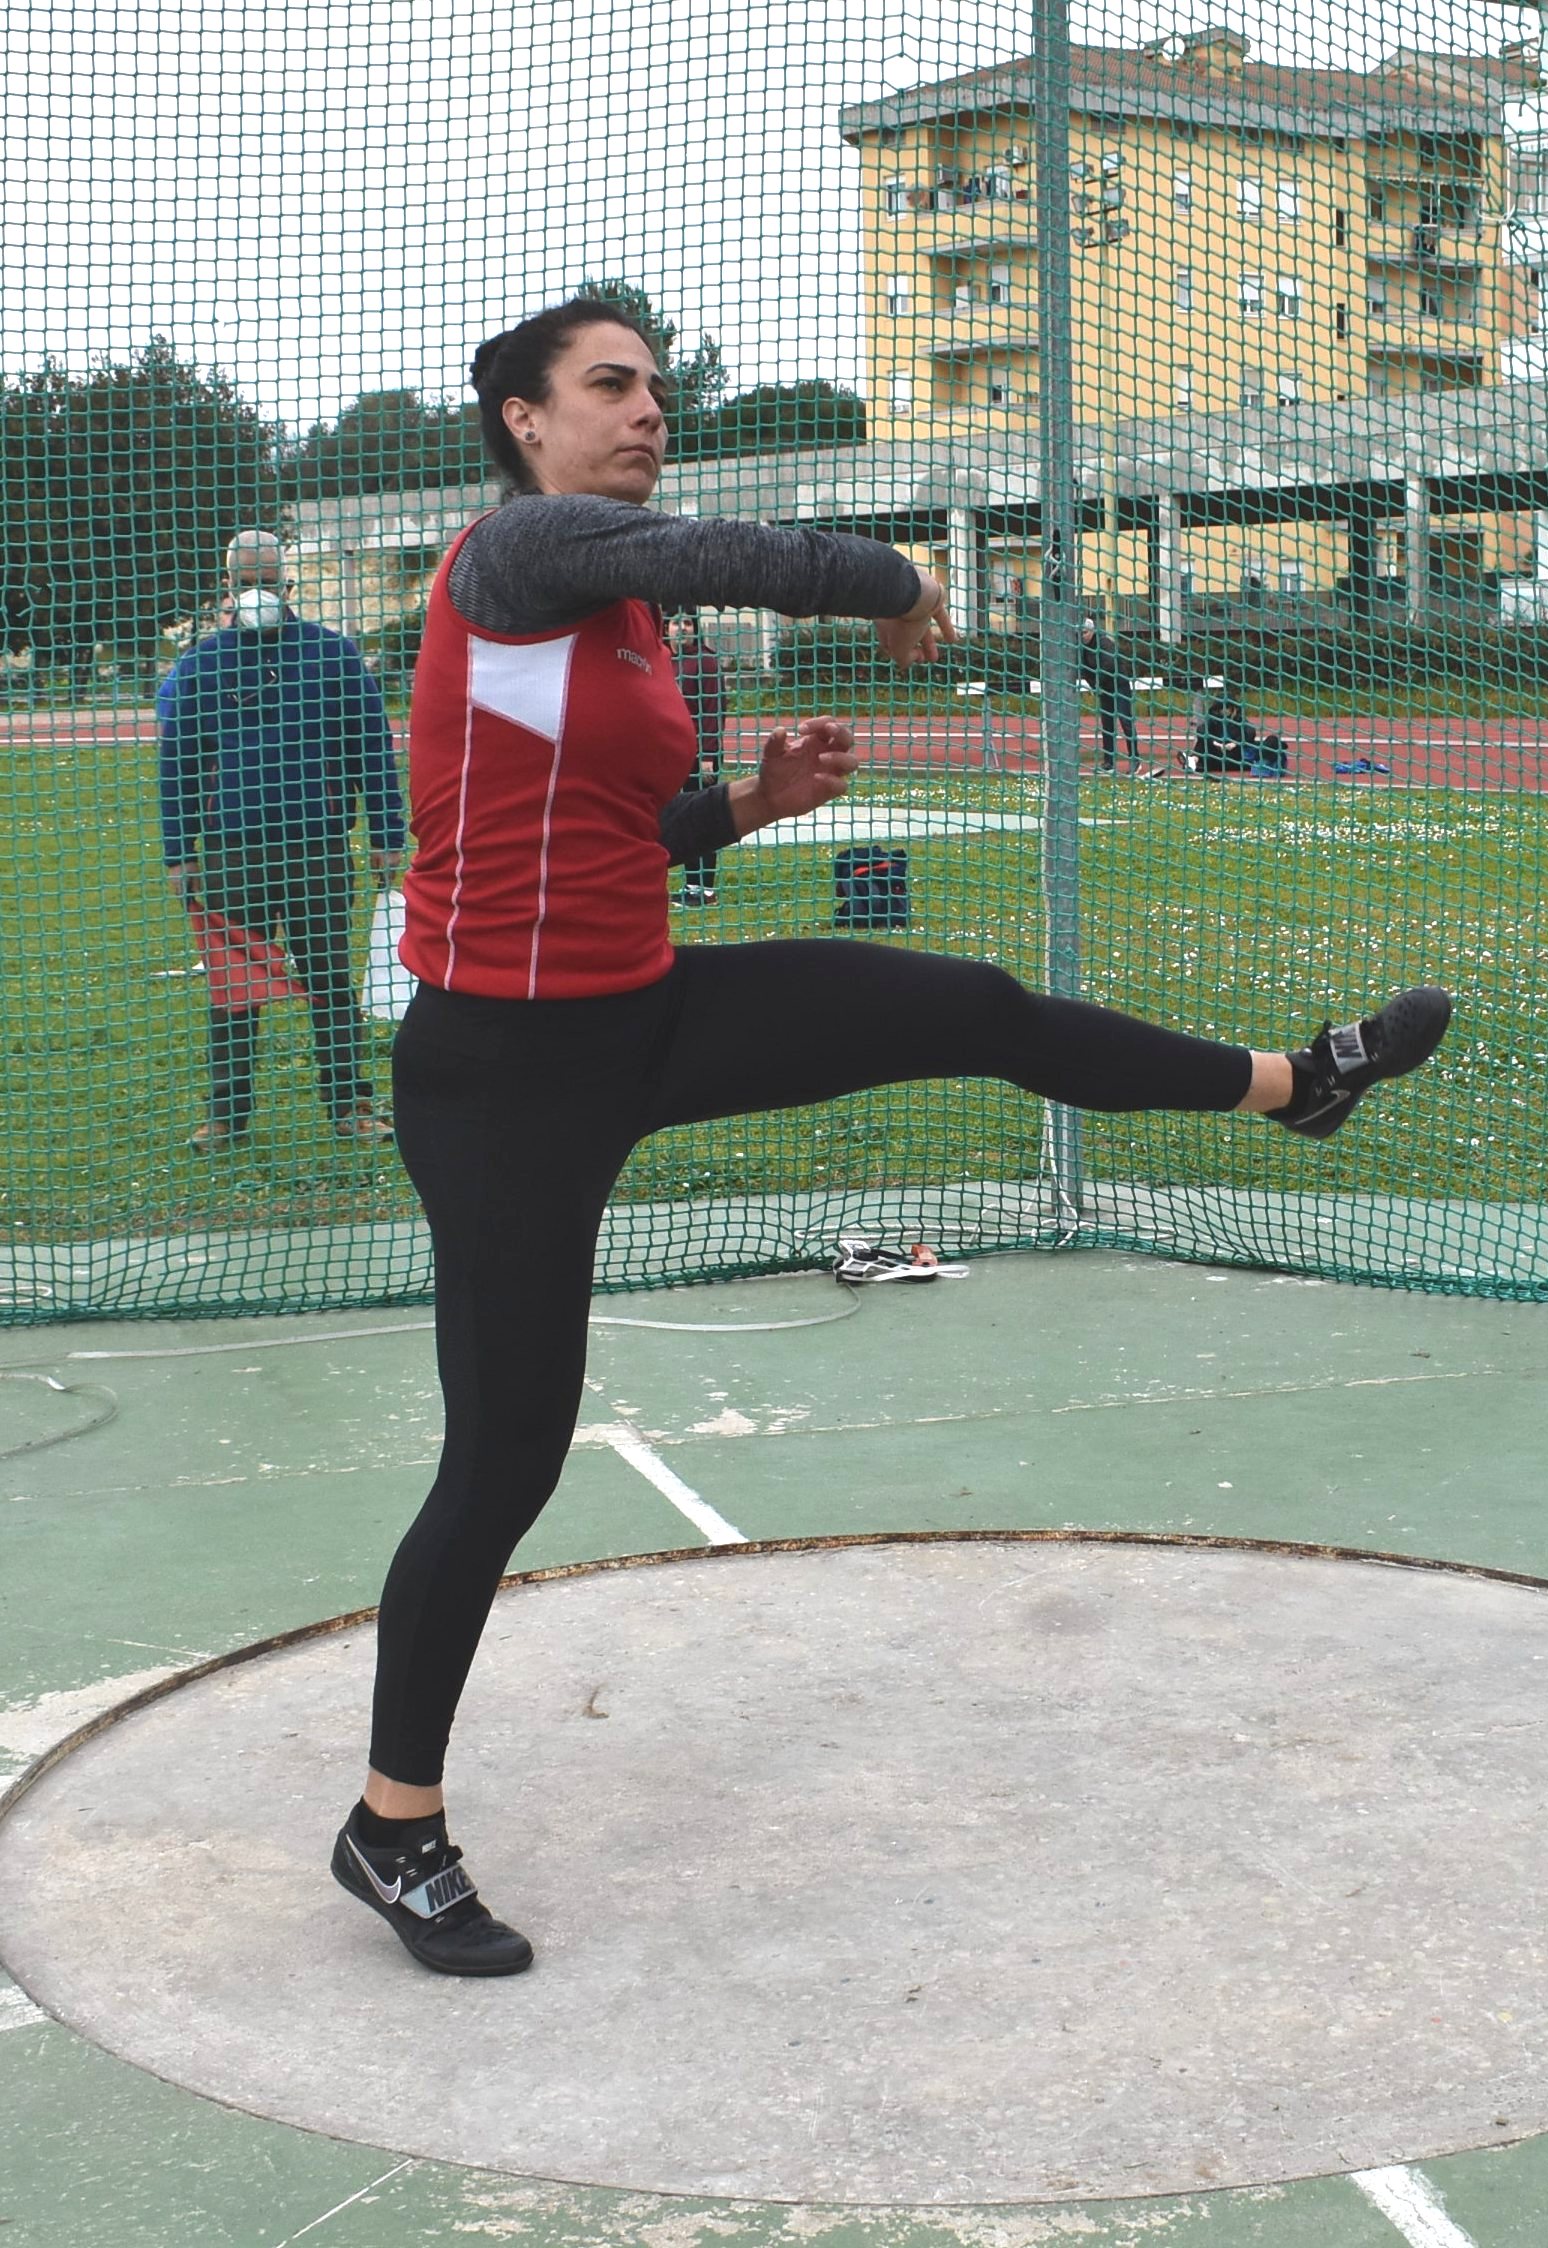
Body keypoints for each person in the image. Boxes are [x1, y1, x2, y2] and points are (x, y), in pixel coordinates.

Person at [328, 298, 1453, 1977]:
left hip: (642, 1010)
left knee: (970, 1006)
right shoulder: (520, 554)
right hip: (503, 1073)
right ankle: (391, 1825)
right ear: (522, 420)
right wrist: (895, 580)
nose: (647, 411)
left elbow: (603, 827)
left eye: (657, 388)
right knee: (503, 1462)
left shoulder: (615, 612)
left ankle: (1300, 1082)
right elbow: (758, 554)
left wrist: (746, 807)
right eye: (609, 386)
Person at [159, 534, 408, 1151]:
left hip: (318, 851)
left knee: (331, 982)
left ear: (288, 586)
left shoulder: (333, 655)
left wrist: (386, 834)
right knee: (233, 988)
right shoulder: (200, 665)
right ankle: (226, 1115)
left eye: (268, 582)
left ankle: (350, 1104)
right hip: (231, 854)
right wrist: (179, 852)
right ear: (227, 588)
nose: (258, 594)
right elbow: (178, 768)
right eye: (246, 584)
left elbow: (372, 752)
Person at [668, 609, 726, 905]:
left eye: (688, 622)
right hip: (670, 754)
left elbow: (714, 710)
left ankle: (704, 888)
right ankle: (691, 884)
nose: (682, 628)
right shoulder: (662, 660)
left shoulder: (705, 661)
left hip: (698, 754)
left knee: (699, 816)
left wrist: (708, 754)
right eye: (676, 622)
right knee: (676, 817)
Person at [1078, 614, 1144, 775]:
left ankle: (1135, 760)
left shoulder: (1104, 643)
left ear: (1092, 631)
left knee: (1125, 722)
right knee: (1107, 725)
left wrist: (1098, 683)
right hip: (1104, 688)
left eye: (1085, 633)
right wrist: (1094, 686)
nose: (1083, 636)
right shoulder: (1082, 648)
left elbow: (1108, 665)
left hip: (1119, 685)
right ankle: (1109, 762)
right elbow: (1083, 669)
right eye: (1080, 633)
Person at [1189, 694, 1288, 778]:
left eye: (1227, 708)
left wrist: (1235, 743)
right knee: (1202, 742)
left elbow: (1250, 732)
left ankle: (1266, 763)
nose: (1224, 711)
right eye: (1221, 708)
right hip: (1218, 757)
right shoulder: (1213, 720)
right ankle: (1193, 761)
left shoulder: (1239, 720)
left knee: (1272, 740)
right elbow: (1201, 730)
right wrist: (1216, 743)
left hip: (1238, 757)